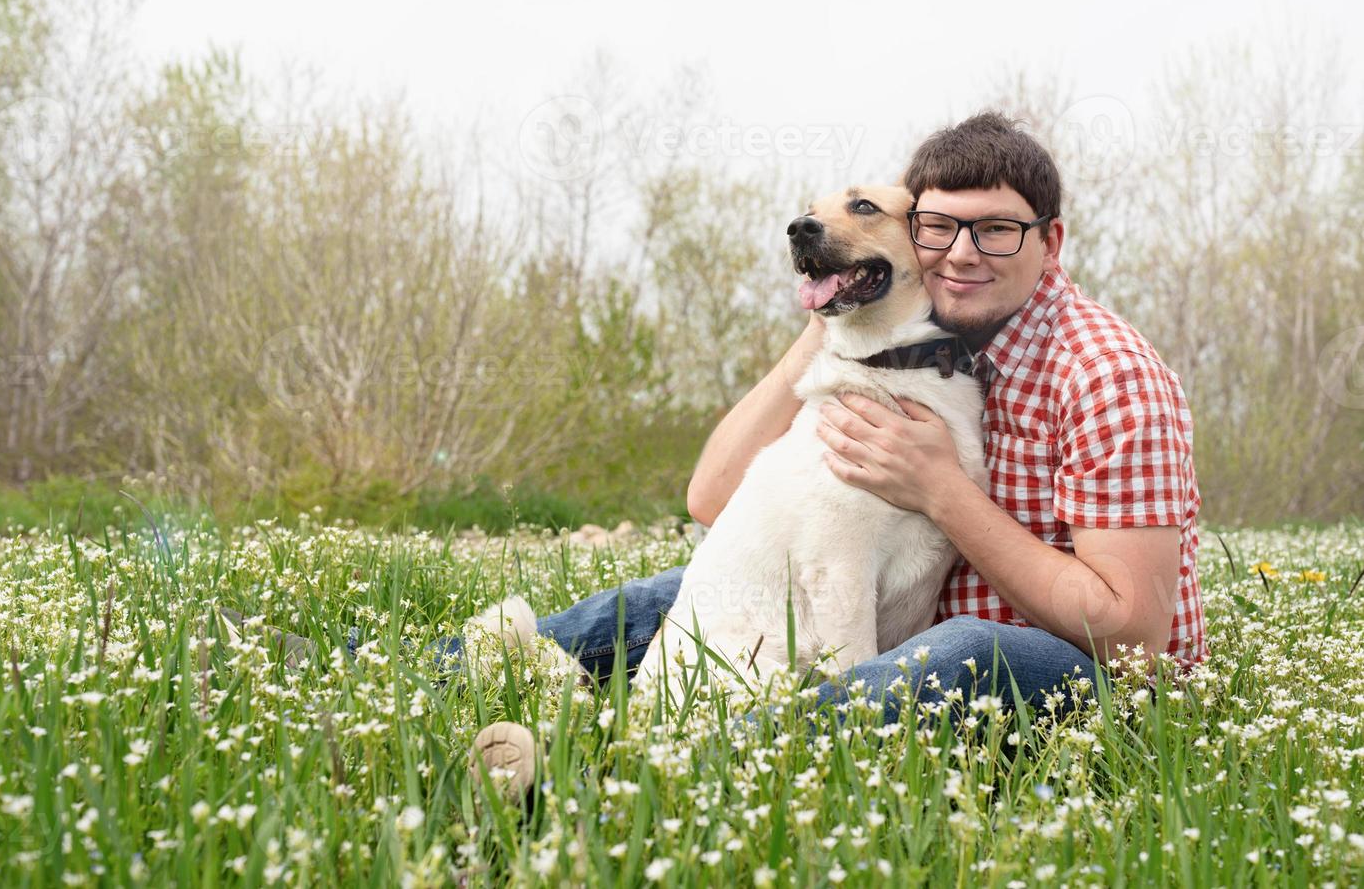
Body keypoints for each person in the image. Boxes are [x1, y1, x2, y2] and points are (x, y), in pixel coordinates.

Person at [466, 110, 1205, 783]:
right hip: (894, 609)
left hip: (1069, 678)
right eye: (939, 228)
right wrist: (834, 314)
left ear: (1051, 241)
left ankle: (630, 786)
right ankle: (426, 681)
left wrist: (941, 493)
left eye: (997, 231)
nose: (962, 254)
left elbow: (1129, 635)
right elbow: (714, 502)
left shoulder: (1107, 377)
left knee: (967, 648)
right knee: (689, 586)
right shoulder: (918, 343)